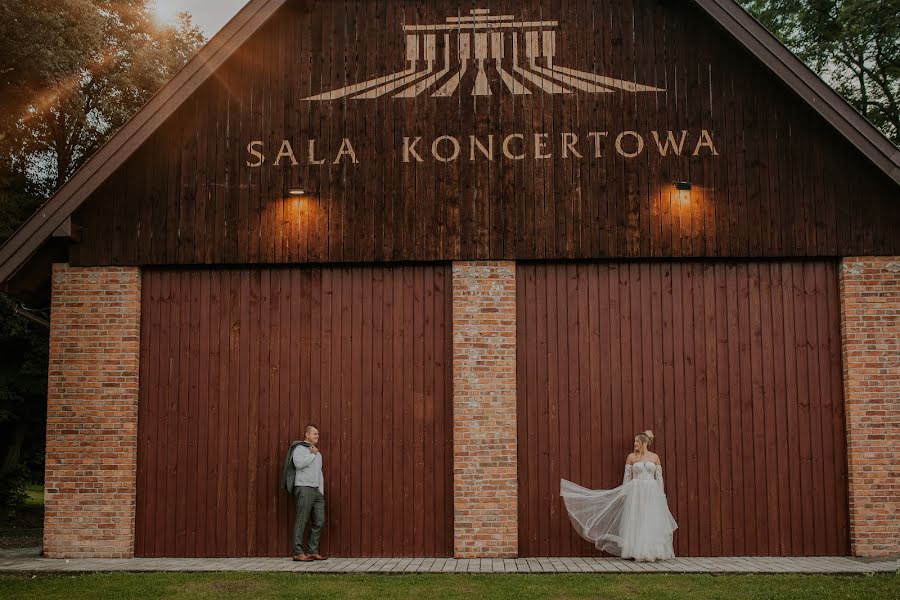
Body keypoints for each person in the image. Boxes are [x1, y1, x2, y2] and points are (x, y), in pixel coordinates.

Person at [560, 430, 677, 562]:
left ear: (644, 442)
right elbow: (627, 478)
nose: (634, 443)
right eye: (634, 441)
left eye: (637, 441)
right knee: (637, 519)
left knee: (650, 519)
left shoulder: (655, 457)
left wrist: (661, 495)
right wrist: (623, 493)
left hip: (652, 493)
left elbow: (659, 478)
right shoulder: (632, 457)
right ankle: (636, 550)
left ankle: (651, 551)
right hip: (636, 493)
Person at [291, 424, 326, 561]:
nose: (317, 436)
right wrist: (312, 454)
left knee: (319, 521)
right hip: (304, 488)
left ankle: (312, 551)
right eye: (315, 434)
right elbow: (298, 464)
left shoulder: (318, 453)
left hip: (317, 491)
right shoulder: (299, 449)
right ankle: (298, 552)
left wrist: (321, 491)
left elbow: (319, 473)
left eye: (318, 434)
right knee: (302, 520)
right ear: (307, 435)